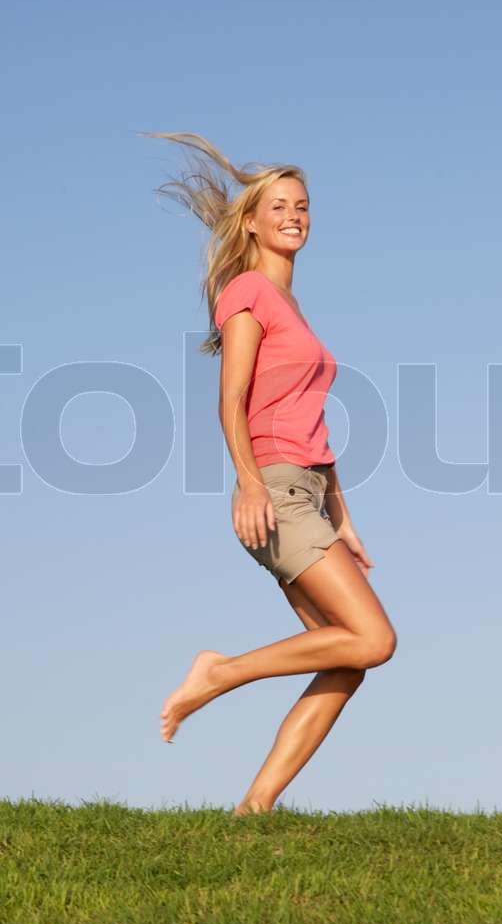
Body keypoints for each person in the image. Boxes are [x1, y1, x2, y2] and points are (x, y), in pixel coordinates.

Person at [142, 131, 397, 816]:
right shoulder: (247, 291)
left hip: (306, 491)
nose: (295, 215)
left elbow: (311, 421)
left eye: (304, 205)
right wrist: (251, 482)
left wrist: (341, 512)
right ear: (250, 220)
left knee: (347, 658)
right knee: (375, 638)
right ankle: (217, 671)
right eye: (279, 204)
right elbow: (231, 399)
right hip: (276, 490)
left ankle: (254, 808)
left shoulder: (291, 307)